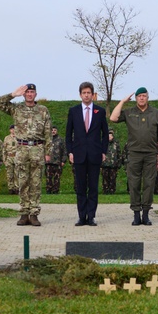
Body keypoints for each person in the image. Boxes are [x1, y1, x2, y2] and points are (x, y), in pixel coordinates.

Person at [0, 83, 52, 226]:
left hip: (37, 149)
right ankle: (23, 213)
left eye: (32, 92)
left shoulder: (43, 110)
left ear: (36, 94)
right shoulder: (17, 109)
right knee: (22, 182)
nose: (29, 94)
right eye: (27, 92)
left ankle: (33, 214)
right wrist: (13, 94)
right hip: (21, 148)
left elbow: (48, 132)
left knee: (35, 183)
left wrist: (48, 151)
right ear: (23, 94)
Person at [110, 87, 158, 225]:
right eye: (139, 96)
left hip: (151, 154)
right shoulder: (129, 112)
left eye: (144, 96)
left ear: (147, 97)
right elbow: (113, 117)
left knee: (149, 184)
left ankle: (145, 214)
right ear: (135, 98)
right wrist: (122, 101)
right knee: (133, 184)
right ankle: (136, 214)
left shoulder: (155, 113)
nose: (141, 98)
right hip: (134, 153)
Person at [66, 81, 109, 225]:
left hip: (95, 154)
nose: (86, 95)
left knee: (93, 187)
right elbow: (68, 134)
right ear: (80, 95)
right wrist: (70, 151)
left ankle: (91, 216)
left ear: (93, 95)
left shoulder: (100, 111)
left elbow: (105, 133)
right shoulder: (73, 111)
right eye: (84, 93)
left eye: (88, 93)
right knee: (80, 187)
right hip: (78, 154)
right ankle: (81, 216)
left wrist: (104, 151)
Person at [45, 126, 66, 194]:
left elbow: (64, 151)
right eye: (52, 130)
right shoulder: (47, 140)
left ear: (57, 131)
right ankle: (48, 190)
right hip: (49, 162)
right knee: (48, 177)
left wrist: (63, 160)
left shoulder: (60, 140)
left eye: (55, 130)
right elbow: (43, 150)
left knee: (57, 178)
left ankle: (55, 190)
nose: (53, 131)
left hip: (58, 162)